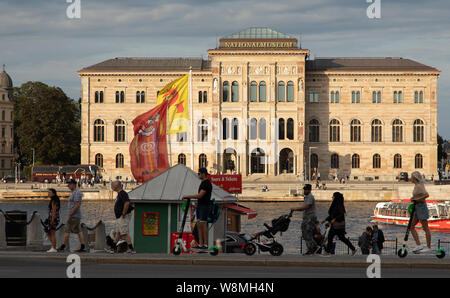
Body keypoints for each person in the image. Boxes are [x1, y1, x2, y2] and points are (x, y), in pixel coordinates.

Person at [182, 168, 212, 250]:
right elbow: (201, 198)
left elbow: (200, 195)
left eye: (199, 173)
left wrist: (187, 196)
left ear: (203, 174)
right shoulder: (203, 183)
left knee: (203, 224)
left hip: (205, 206)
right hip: (201, 206)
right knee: (199, 224)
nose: (198, 175)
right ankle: (201, 244)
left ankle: (205, 244)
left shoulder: (206, 183)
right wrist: (196, 205)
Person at [57, 179, 86, 252]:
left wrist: (70, 214)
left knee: (67, 230)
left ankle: (63, 246)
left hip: (74, 216)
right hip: (75, 215)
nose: (68, 186)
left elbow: (77, 205)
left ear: (74, 184)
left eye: (69, 184)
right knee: (78, 231)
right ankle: (83, 246)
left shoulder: (77, 193)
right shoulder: (74, 192)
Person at [290, 184, 317, 255]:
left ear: (310, 190)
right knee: (305, 233)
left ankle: (312, 248)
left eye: (306, 189)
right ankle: (312, 247)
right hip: (307, 218)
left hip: (310, 218)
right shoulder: (307, 197)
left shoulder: (310, 197)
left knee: (307, 233)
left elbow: (306, 206)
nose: (304, 191)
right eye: (304, 189)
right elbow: (303, 207)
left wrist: (295, 209)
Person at [410, 171, 432, 253]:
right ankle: (418, 244)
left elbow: (426, 195)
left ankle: (428, 247)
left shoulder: (419, 186)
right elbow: (418, 196)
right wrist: (413, 198)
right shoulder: (416, 186)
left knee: (425, 228)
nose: (410, 178)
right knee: (411, 226)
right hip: (417, 208)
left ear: (415, 178)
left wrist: (416, 199)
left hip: (421, 207)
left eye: (411, 177)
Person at [112, 181, 135, 253]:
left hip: (122, 217)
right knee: (118, 233)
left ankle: (131, 249)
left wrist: (124, 213)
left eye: (113, 185)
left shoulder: (123, 193)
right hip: (119, 217)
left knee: (124, 233)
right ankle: (113, 248)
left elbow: (127, 202)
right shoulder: (119, 194)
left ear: (117, 186)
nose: (112, 187)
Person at [44, 188, 60, 253]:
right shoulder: (53, 200)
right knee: (48, 232)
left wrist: (52, 220)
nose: (48, 194)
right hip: (52, 217)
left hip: (53, 218)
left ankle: (54, 247)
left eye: (49, 192)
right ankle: (53, 246)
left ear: (53, 193)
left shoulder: (54, 201)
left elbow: (54, 210)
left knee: (52, 233)